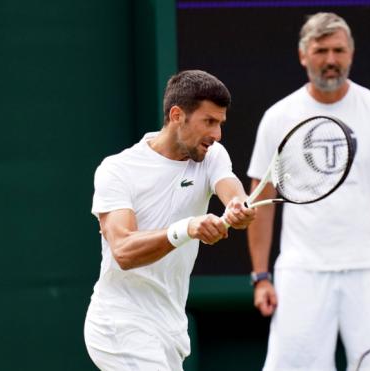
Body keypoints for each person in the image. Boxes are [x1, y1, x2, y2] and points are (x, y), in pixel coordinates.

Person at [246, 13, 370, 370]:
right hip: (301, 271)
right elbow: (261, 203)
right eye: (321, 50)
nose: (330, 60)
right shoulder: (278, 117)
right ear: (303, 55)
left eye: (339, 51)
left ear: (351, 55)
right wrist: (261, 276)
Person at [84, 70, 256, 370]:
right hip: (120, 322)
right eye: (209, 122)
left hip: (170, 325)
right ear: (177, 115)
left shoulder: (212, 155)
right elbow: (123, 250)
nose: (217, 135)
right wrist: (186, 229)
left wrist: (238, 207)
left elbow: (231, 190)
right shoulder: (117, 170)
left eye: (220, 124)